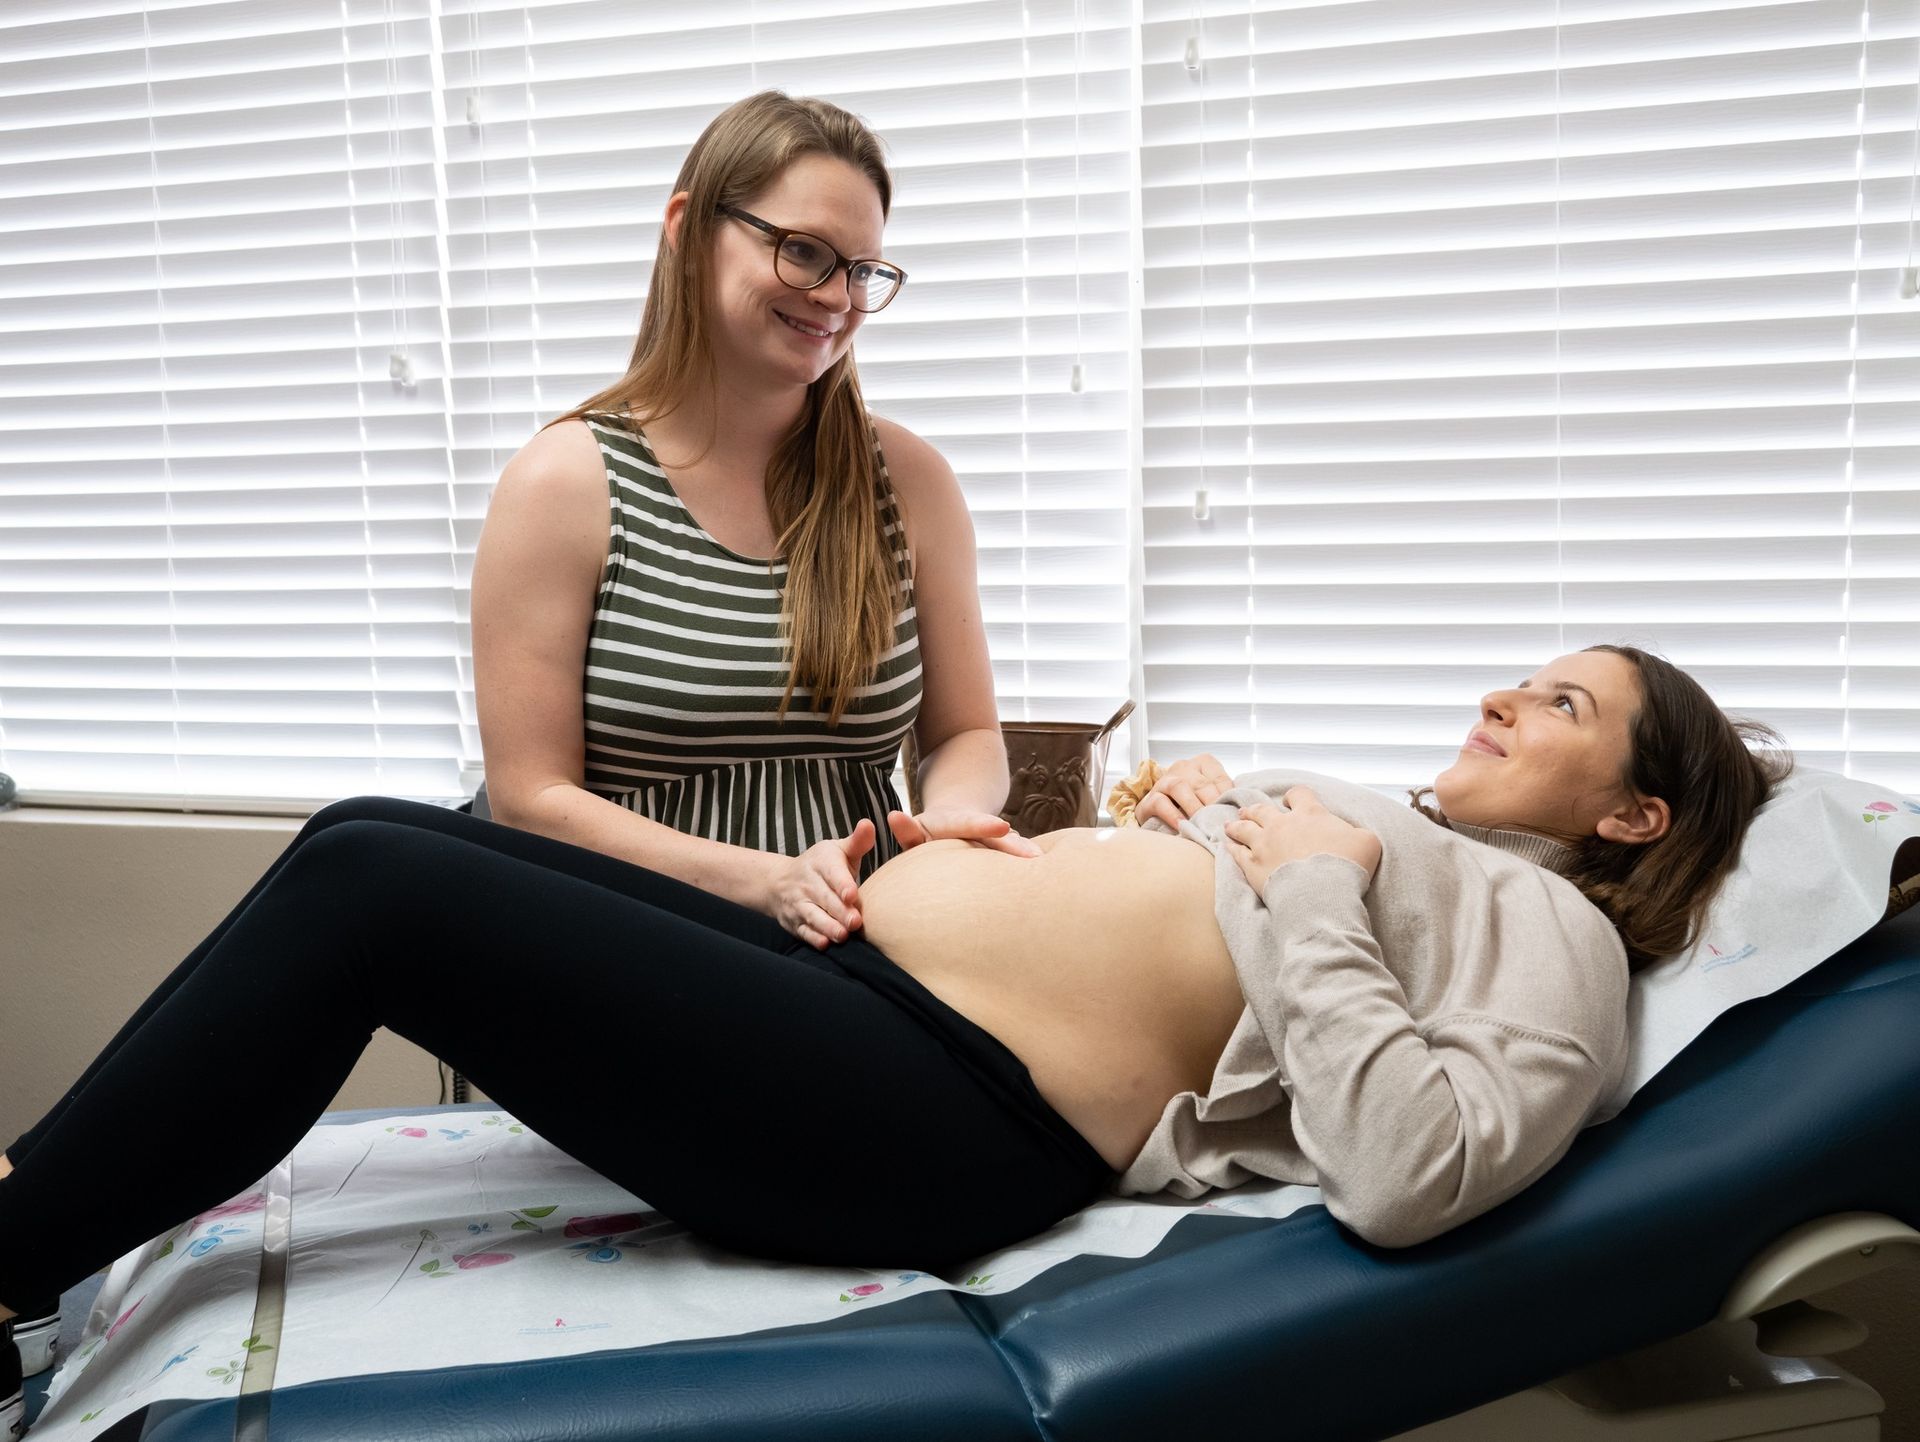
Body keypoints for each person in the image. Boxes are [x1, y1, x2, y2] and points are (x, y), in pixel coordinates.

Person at [0, 642, 1792, 1372]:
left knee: (376, 898)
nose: (1503, 692)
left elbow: (1415, 1162)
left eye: (1558, 703)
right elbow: (1204, 957)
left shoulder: (1556, 938)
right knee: (386, 831)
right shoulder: (1390, 837)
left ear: (1633, 813)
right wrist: (1137, 833)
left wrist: (1302, 877)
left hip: (939, 1113)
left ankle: (15, 1244)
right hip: (854, 994)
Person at [468, 89, 1041, 960]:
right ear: (688, 228)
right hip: (640, 946)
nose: (836, 298)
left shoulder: (911, 484)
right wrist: (765, 882)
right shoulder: (562, 483)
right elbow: (528, 796)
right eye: (804, 251)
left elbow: (965, 731)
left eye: (860, 270)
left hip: (870, 946)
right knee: (359, 842)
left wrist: (944, 825)